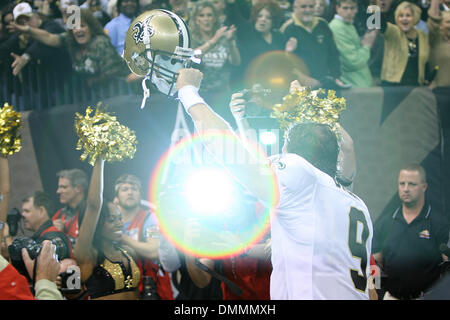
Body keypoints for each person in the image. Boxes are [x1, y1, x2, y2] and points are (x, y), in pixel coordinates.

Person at [174, 68, 374, 299]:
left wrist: (187, 91)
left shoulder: (300, 175)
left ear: (293, 155)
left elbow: (228, 149)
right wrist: (307, 103)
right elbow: (346, 144)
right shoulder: (354, 202)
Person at [372, 164, 450, 300]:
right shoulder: (386, 222)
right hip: (391, 297)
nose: (406, 189)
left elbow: (447, 265)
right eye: (402, 184)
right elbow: (374, 264)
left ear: (424, 187)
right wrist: (379, 293)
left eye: (412, 184)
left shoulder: (438, 223)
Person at [8, 8, 130, 86]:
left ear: (91, 28)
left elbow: (114, 73)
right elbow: (50, 37)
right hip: (89, 101)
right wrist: (28, 30)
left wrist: (90, 82)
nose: (78, 30)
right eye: (74, 27)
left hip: (117, 95)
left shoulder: (100, 42)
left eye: (82, 26)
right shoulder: (71, 43)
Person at [75, 158, 141, 300]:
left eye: (119, 218)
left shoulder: (128, 252)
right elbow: (93, 205)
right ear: (97, 225)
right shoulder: (88, 255)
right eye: (111, 220)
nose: (119, 224)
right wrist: (100, 158)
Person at [114, 174, 174, 299]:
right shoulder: (110, 220)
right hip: (120, 288)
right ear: (117, 196)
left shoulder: (150, 219)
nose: (130, 192)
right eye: (125, 189)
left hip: (149, 288)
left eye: (134, 189)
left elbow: (154, 251)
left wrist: (124, 239)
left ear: (140, 194)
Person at [188, 1, 240, 121]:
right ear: (196, 19)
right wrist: (214, 40)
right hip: (200, 96)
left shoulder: (223, 37)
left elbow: (236, 62)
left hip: (223, 95)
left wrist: (231, 42)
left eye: (209, 15)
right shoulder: (192, 39)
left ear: (214, 18)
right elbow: (192, 57)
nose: (206, 19)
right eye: (202, 15)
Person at [226, 0, 294, 90]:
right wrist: (231, 3)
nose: (263, 19)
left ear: (274, 21)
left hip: (270, 88)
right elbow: (234, 16)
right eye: (260, 16)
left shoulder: (278, 37)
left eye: (268, 17)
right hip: (245, 86)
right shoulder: (247, 32)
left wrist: (288, 52)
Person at [280, 0, 346, 90]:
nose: (308, 10)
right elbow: (282, 62)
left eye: (311, 6)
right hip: (300, 88)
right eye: (303, 7)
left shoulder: (323, 25)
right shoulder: (287, 29)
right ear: (295, 8)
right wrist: (303, 79)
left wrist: (336, 77)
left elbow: (333, 54)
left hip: (325, 85)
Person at [0, 2, 71, 77]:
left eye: (28, 19)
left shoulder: (51, 25)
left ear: (36, 16)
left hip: (65, 77)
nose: (25, 25)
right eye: (21, 22)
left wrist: (26, 56)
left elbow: (46, 40)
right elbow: (6, 46)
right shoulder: (21, 34)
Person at [379, 1, 430, 86]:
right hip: (393, 86)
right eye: (401, 16)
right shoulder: (394, 32)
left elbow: (425, 60)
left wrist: (427, 78)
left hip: (415, 86)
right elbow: (381, 24)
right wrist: (375, 8)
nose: (404, 19)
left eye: (408, 15)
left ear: (415, 18)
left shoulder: (423, 35)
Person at [329, 0, 377, 88]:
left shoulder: (348, 25)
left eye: (352, 8)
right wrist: (367, 45)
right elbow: (353, 62)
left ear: (357, 9)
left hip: (360, 83)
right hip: (354, 86)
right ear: (337, 8)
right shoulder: (337, 27)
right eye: (345, 8)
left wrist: (363, 42)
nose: (349, 12)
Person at [21, 191, 73, 262]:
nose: (22, 215)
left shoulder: (53, 237)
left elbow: (35, 259)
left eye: (27, 211)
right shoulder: (42, 236)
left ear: (41, 211)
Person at [52, 168, 88, 249]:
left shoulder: (91, 213)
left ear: (78, 188)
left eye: (63, 187)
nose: (58, 191)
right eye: (59, 187)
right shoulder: (59, 214)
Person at [428, 0, 450, 88]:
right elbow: (433, 20)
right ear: (440, 26)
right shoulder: (436, 40)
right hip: (440, 91)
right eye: (448, 22)